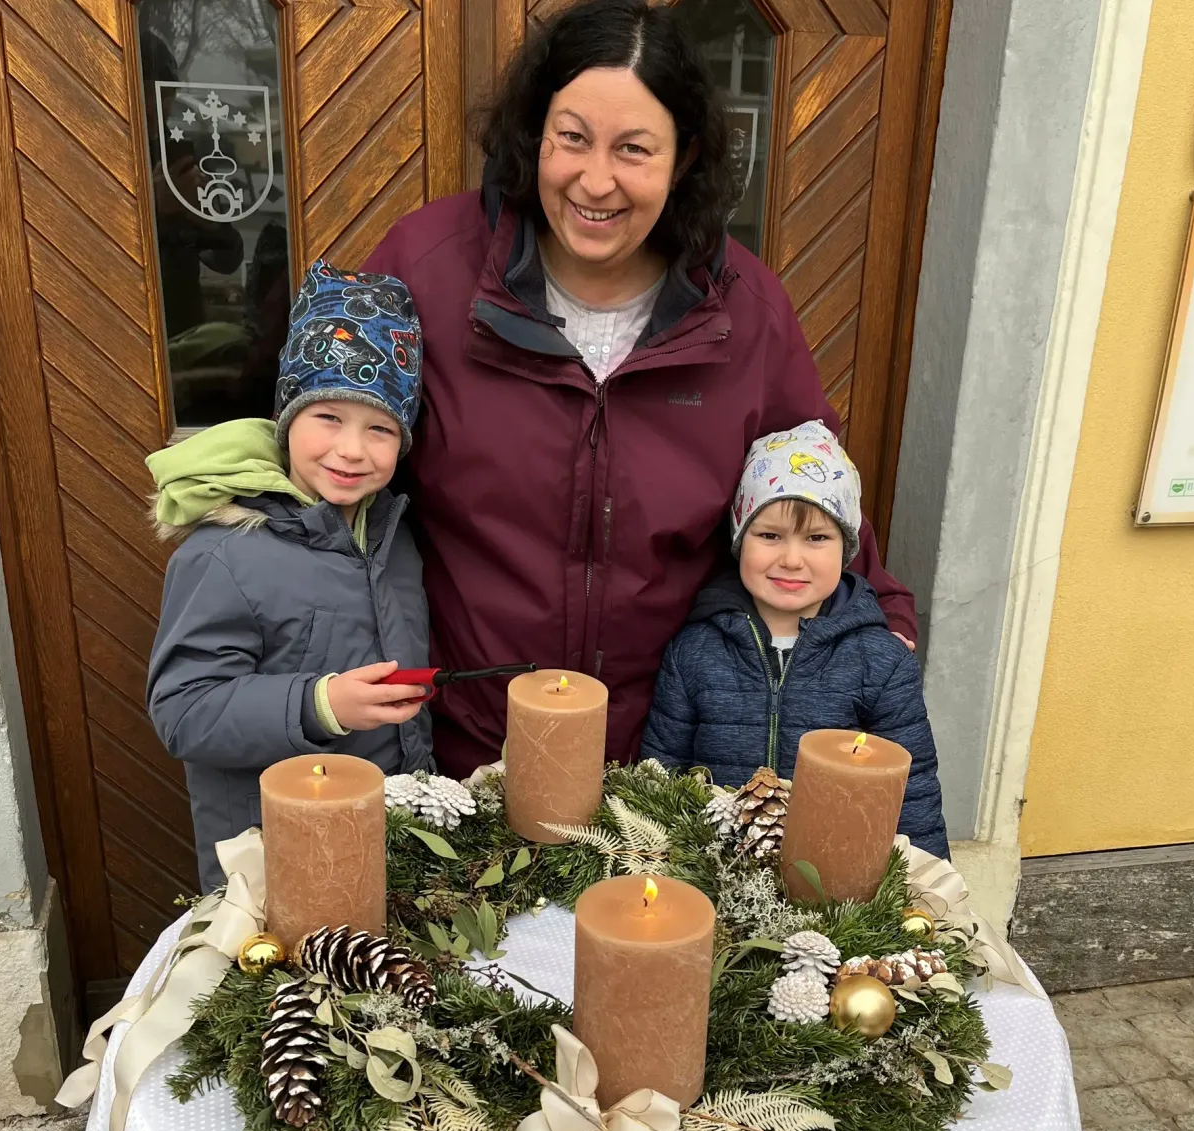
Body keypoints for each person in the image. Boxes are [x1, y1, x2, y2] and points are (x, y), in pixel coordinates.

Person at [362, 0, 916, 780]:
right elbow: (335, 440)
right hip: (459, 745)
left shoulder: (745, 312)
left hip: (668, 755)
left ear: (684, 158)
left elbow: (807, 476)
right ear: (535, 133)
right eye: (572, 139)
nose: (596, 180)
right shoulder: (426, 268)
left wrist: (881, 614)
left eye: (634, 149)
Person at [147, 263, 433, 887]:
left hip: (383, 838)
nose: (353, 450)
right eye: (328, 417)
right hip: (272, 861)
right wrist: (319, 703)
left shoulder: (394, 539)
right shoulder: (224, 554)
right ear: (286, 420)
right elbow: (183, 710)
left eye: (380, 428)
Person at [640, 423, 947, 856]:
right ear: (740, 541)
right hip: (713, 875)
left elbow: (912, 791)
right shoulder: (695, 650)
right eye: (769, 536)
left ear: (847, 550)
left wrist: (928, 896)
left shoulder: (881, 660)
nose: (791, 559)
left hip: (838, 884)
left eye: (817, 538)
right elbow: (661, 774)